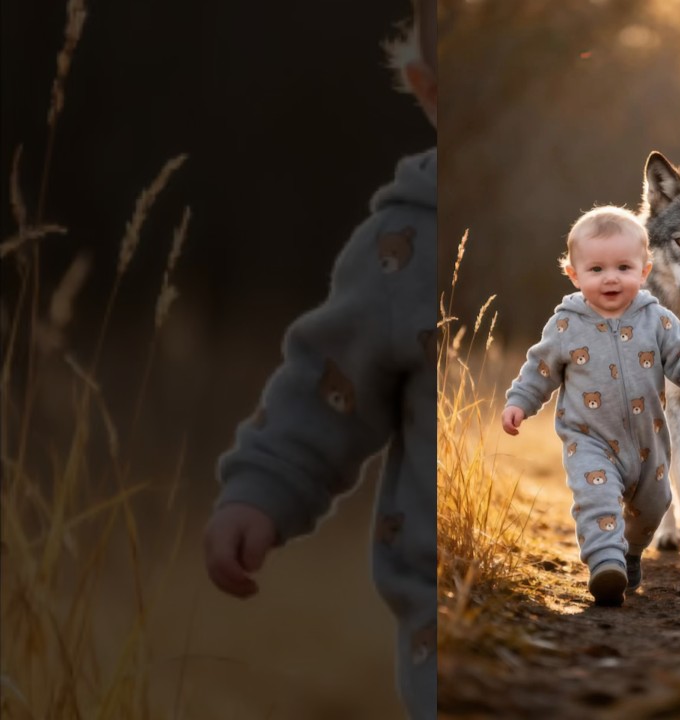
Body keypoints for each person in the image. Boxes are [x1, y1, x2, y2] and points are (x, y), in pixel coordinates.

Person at [202, 1, 438, 716]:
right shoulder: (404, 249)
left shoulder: (597, 230)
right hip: (448, 619)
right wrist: (263, 488)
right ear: (428, 89)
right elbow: (327, 387)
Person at [501, 206, 680, 606]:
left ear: (644, 270)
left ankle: (631, 553)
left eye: (623, 267)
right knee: (597, 499)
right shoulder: (566, 325)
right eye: (596, 269)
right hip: (589, 441)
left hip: (647, 443)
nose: (611, 278)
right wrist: (520, 401)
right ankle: (605, 563)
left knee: (654, 506)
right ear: (573, 274)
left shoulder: (656, 318)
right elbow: (540, 369)